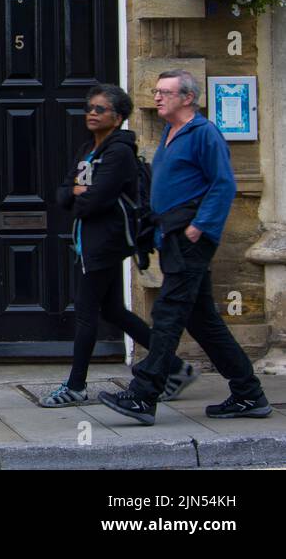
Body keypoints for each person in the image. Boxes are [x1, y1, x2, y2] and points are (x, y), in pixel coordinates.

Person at [99, 69, 271, 424]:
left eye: (165, 92)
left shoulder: (203, 133)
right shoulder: (170, 133)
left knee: (168, 313)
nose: (157, 97)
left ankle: (144, 395)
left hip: (190, 238)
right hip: (172, 236)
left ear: (187, 98)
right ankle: (248, 394)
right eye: (157, 91)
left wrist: (200, 227)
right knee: (203, 320)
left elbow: (223, 184)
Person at [39, 85, 196, 407]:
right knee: (112, 310)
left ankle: (76, 386)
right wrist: (76, 193)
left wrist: (79, 194)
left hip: (106, 242)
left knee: (86, 313)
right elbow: (62, 192)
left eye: (100, 109)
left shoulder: (119, 152)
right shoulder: (89, 150)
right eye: (89, 108)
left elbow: (94, 201)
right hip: (90, 240)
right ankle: (176, 367)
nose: (91, 114)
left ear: (118, 116)